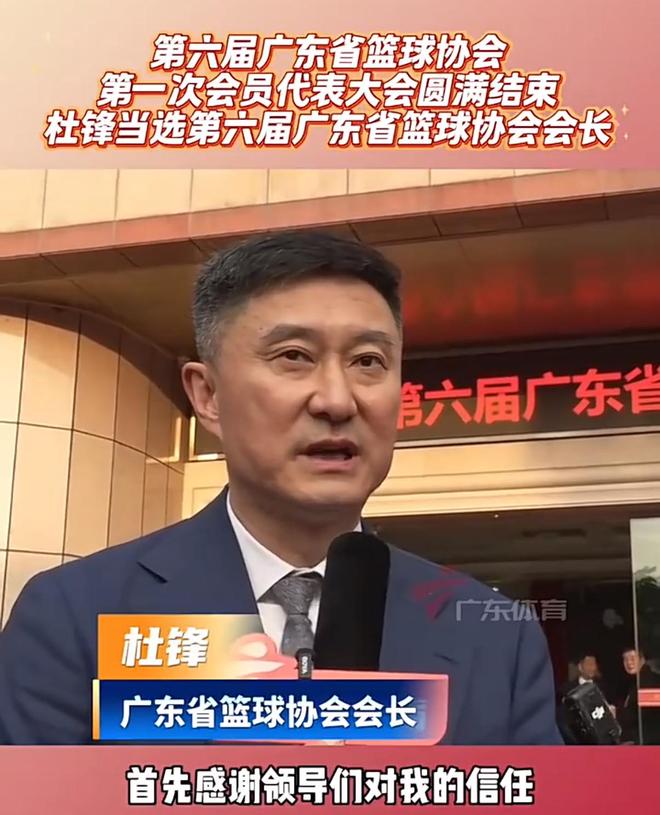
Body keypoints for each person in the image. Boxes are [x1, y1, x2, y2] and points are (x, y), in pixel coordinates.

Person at [0, 230, 562, 745]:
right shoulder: (76, 616)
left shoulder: (495, 636)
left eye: (369, 361)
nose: (337, 400)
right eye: (294, 357)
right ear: (208, 395)